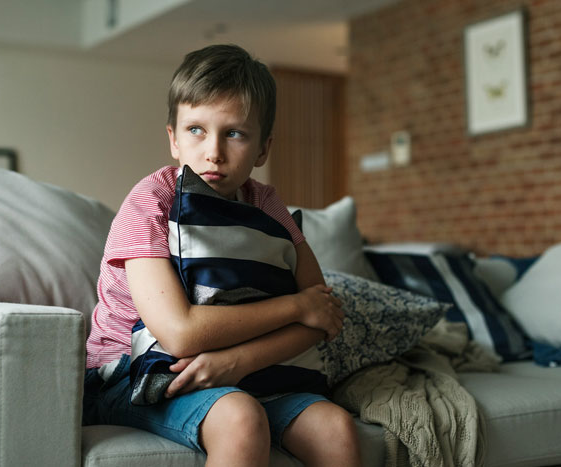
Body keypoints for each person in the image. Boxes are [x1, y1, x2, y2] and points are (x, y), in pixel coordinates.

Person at [83, 44, 362, 466]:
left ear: (263, 149)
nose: (213, 151)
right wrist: (294, 306)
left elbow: (323, 316)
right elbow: (179, 334)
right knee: (240, 419)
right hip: (138, 375)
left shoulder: (266, 206)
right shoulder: (150, 205)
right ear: (173, 139)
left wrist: (236, 361)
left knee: (336, 429)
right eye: (196, 130)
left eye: (234, 133)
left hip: (248, 372)